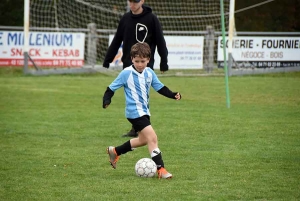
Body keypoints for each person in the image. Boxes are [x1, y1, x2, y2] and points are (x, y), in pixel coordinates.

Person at [102, 43, 181, 179]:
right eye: (137, 61)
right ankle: (161, 169)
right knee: (153, 138)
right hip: (134, 113)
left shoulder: (149, 72)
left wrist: (173, 94)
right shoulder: (126, 73)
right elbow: (111, 88)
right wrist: (106, 100)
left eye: (142, 61)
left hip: (144, 112)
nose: (139, 64)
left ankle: (115, 151)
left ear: (148, 60)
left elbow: (160, 87)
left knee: (143, 140)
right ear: (132, 59)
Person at [102, 0, 169, 137]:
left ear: (142, 1)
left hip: (145, 64)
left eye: (136, 1)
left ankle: (140, 127)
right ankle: (137, 128)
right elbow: (117, 40)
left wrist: (164, 62)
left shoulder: (151, 19)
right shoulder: (125, 19)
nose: (133, 4)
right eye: (130, 1)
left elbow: (160, 40)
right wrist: (108, 59)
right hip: (128, 63)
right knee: (131, 95)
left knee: (142, 95)